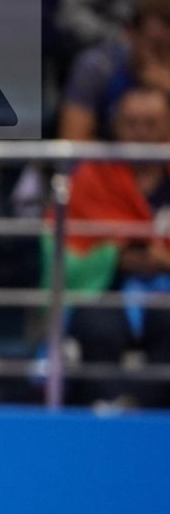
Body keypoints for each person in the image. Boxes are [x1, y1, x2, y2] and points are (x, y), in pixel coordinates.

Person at [58, 85, 170, 407]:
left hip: (165, 292)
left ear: (167, 127)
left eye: (151, 124)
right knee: (98, 325)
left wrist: (163, 260)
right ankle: (107, 413)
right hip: (105, 289)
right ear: (116, 128)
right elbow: (65, 247)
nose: (142, 134)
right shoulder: (91, 177)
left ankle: (143, 410)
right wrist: (114, 257)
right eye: (132, 124)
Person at [58, 0, 170, 142]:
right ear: (131, 35)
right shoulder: (97, 67)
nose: (166, 56)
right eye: (157, 46)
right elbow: (74, 143)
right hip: (108, 164)